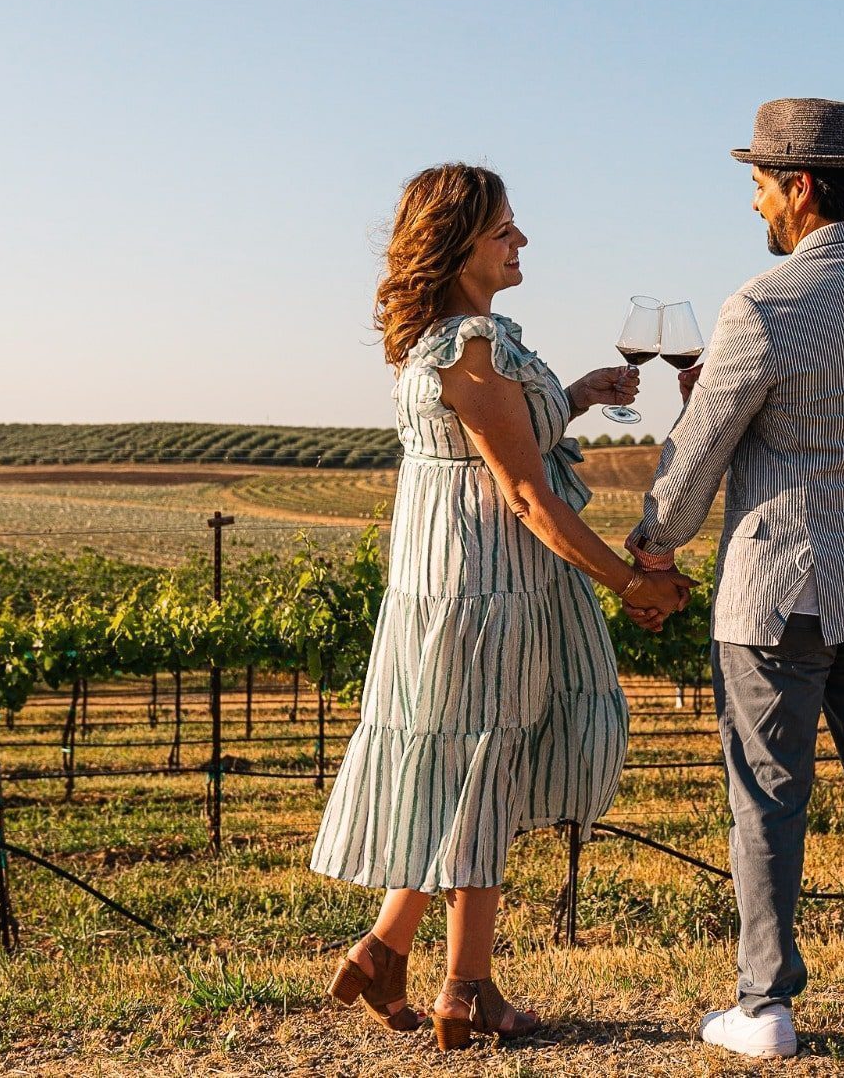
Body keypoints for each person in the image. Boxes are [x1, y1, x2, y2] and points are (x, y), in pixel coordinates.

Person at [312, 163, 695, 1051]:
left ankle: (384, 948)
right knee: (487, 764)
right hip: (482, 589)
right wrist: (629, 582)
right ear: (457, 246)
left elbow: (495, 440)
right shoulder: (468, 348)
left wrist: (580, 396)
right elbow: (525, 492)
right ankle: (466, 989)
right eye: (504, 230)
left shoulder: (451, 344)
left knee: (468, 765)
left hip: (454, 582)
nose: (521, 241)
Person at [626, 99, 844, 1057]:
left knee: (769, 794)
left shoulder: (764, 305)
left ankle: (766, 1006)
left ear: (802, 186)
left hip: (784, 587)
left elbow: (698, 455)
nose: (756, 202)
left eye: (761, 183)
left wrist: (654, 546)